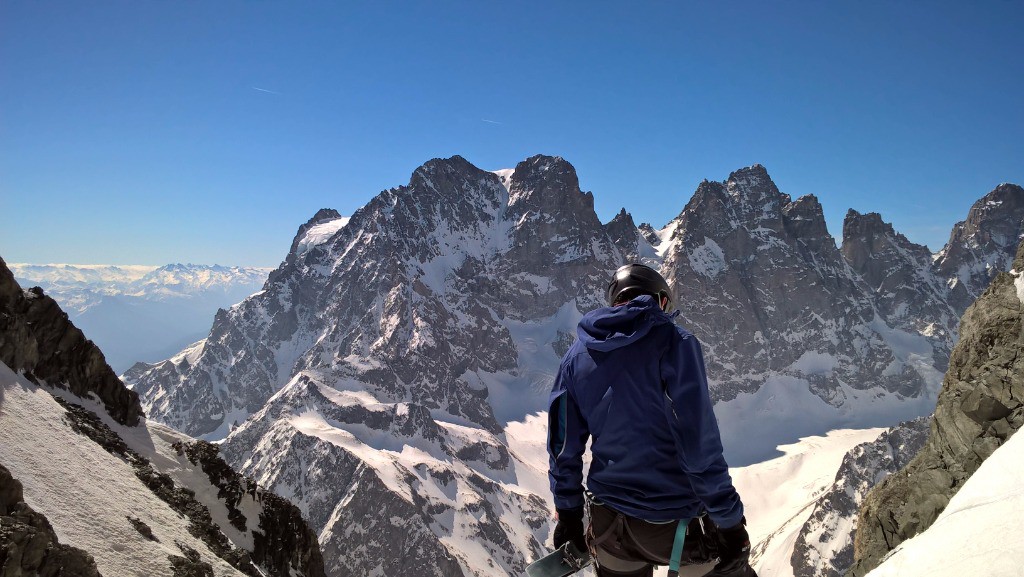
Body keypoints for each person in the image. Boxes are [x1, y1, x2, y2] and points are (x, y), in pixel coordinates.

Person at [547, 263, 757, 577]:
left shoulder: (576, 356)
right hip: (682, 527)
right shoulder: (675, 343)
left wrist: (568, 515)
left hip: (611, 528)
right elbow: (697, 442)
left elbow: (563, 446)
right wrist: (729, 522)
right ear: (660, 300)